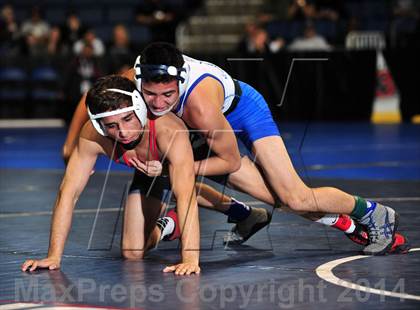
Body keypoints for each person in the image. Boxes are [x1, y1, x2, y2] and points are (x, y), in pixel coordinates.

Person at [62, 42, 407, 255]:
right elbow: (92, 97)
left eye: (168, 95)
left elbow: (227, 160)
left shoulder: (199, 103)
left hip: (240, 113)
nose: (158, 102)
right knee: (176, 176)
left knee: (292, 198)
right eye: (150, 95)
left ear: (180, 81)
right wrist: (70, 144)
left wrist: (178, 169)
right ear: (139, 79)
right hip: (195, 130)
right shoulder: (136, 78)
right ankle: (237, 215)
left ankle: (371, 212)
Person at [22, 75, 201, 275]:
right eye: (112, 126)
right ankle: (170, 223)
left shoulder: (168, 130)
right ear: (100, 126)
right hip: (151, 170)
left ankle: (228, 204)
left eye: (127, 119)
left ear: (140, 109)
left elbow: (186, 195)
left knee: (222, 181)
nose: (123, 132)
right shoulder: (94, 135)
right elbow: (68, 194)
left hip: (203, 153)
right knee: (133, 251)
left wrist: (190, 259)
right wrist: (54, 256)